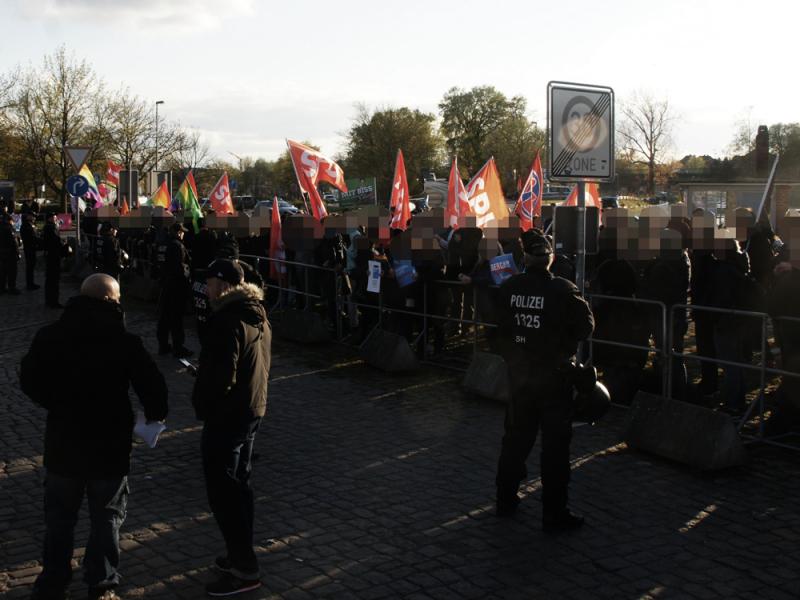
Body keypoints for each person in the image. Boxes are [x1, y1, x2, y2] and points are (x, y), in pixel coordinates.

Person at [19, 273, 168, 600]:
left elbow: (28, 377)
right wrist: (154, 417)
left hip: (64, 441)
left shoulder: (51, 336)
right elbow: (154, 389)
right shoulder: (125, 341)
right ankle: (100, 583)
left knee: (59, 518)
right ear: (112, 302)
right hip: (108, 445)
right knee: (107, 518)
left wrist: (54, 402)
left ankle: (53, 580)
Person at [494, 229, 594, 531]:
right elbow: (586, 326)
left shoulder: (509, 287)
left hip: (521, 377)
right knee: (554, 450)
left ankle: (505, 499)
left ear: (525, 259)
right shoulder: (564, 290)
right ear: (550, 260)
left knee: (515, 440)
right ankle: (554, 512)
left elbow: (498, 330)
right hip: (554, 378)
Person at [192, 259, 271, 597]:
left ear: (223, 285)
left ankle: (244, 568)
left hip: (229, 414)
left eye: (208, 282)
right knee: (240, 486)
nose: (205, 289)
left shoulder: (227, 320)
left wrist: (203, 399)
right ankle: (240, 554)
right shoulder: (258, 314)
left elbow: (222, 376)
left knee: (225, 493)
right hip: (251, 408)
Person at [156, 223, 193, 357]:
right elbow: (181, 268)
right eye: (182, 232)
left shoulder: (161, 243)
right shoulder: (177, 246)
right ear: (178, 232)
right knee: (176, 318)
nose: (183, 234)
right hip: (176, 286)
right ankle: (178, 347)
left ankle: (163, 345)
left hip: (164, 283)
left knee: (164, 316)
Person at [43, 212, 69, 308]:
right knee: (54, 280)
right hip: (54, 256)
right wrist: (64, 245)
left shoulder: (47, 227)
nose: (56, 219)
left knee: (50, 280)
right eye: (54, 218)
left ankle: (49, 300)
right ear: (50, 218)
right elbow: (56, 242)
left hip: (50, 255)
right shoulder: (51, 228)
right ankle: (53, 301)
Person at [0, 212, 21, 294]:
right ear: (9, 220)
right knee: (12, 271)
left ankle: (2, 288)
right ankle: (12, 288)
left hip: (2, 252)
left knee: (3, 272)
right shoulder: (8, 228)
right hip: (10, 253)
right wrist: (18, 252)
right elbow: (14, 242)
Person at [20, 213, 41, 290]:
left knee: (31, 266)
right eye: (32, 216)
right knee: (30, 266)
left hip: (31, 248)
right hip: (29, 248)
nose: (34, 218)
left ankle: (31, 283)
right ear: (28, 216)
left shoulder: (29, 225)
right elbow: (31, 238)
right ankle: (29, 284)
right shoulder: (26, 226)